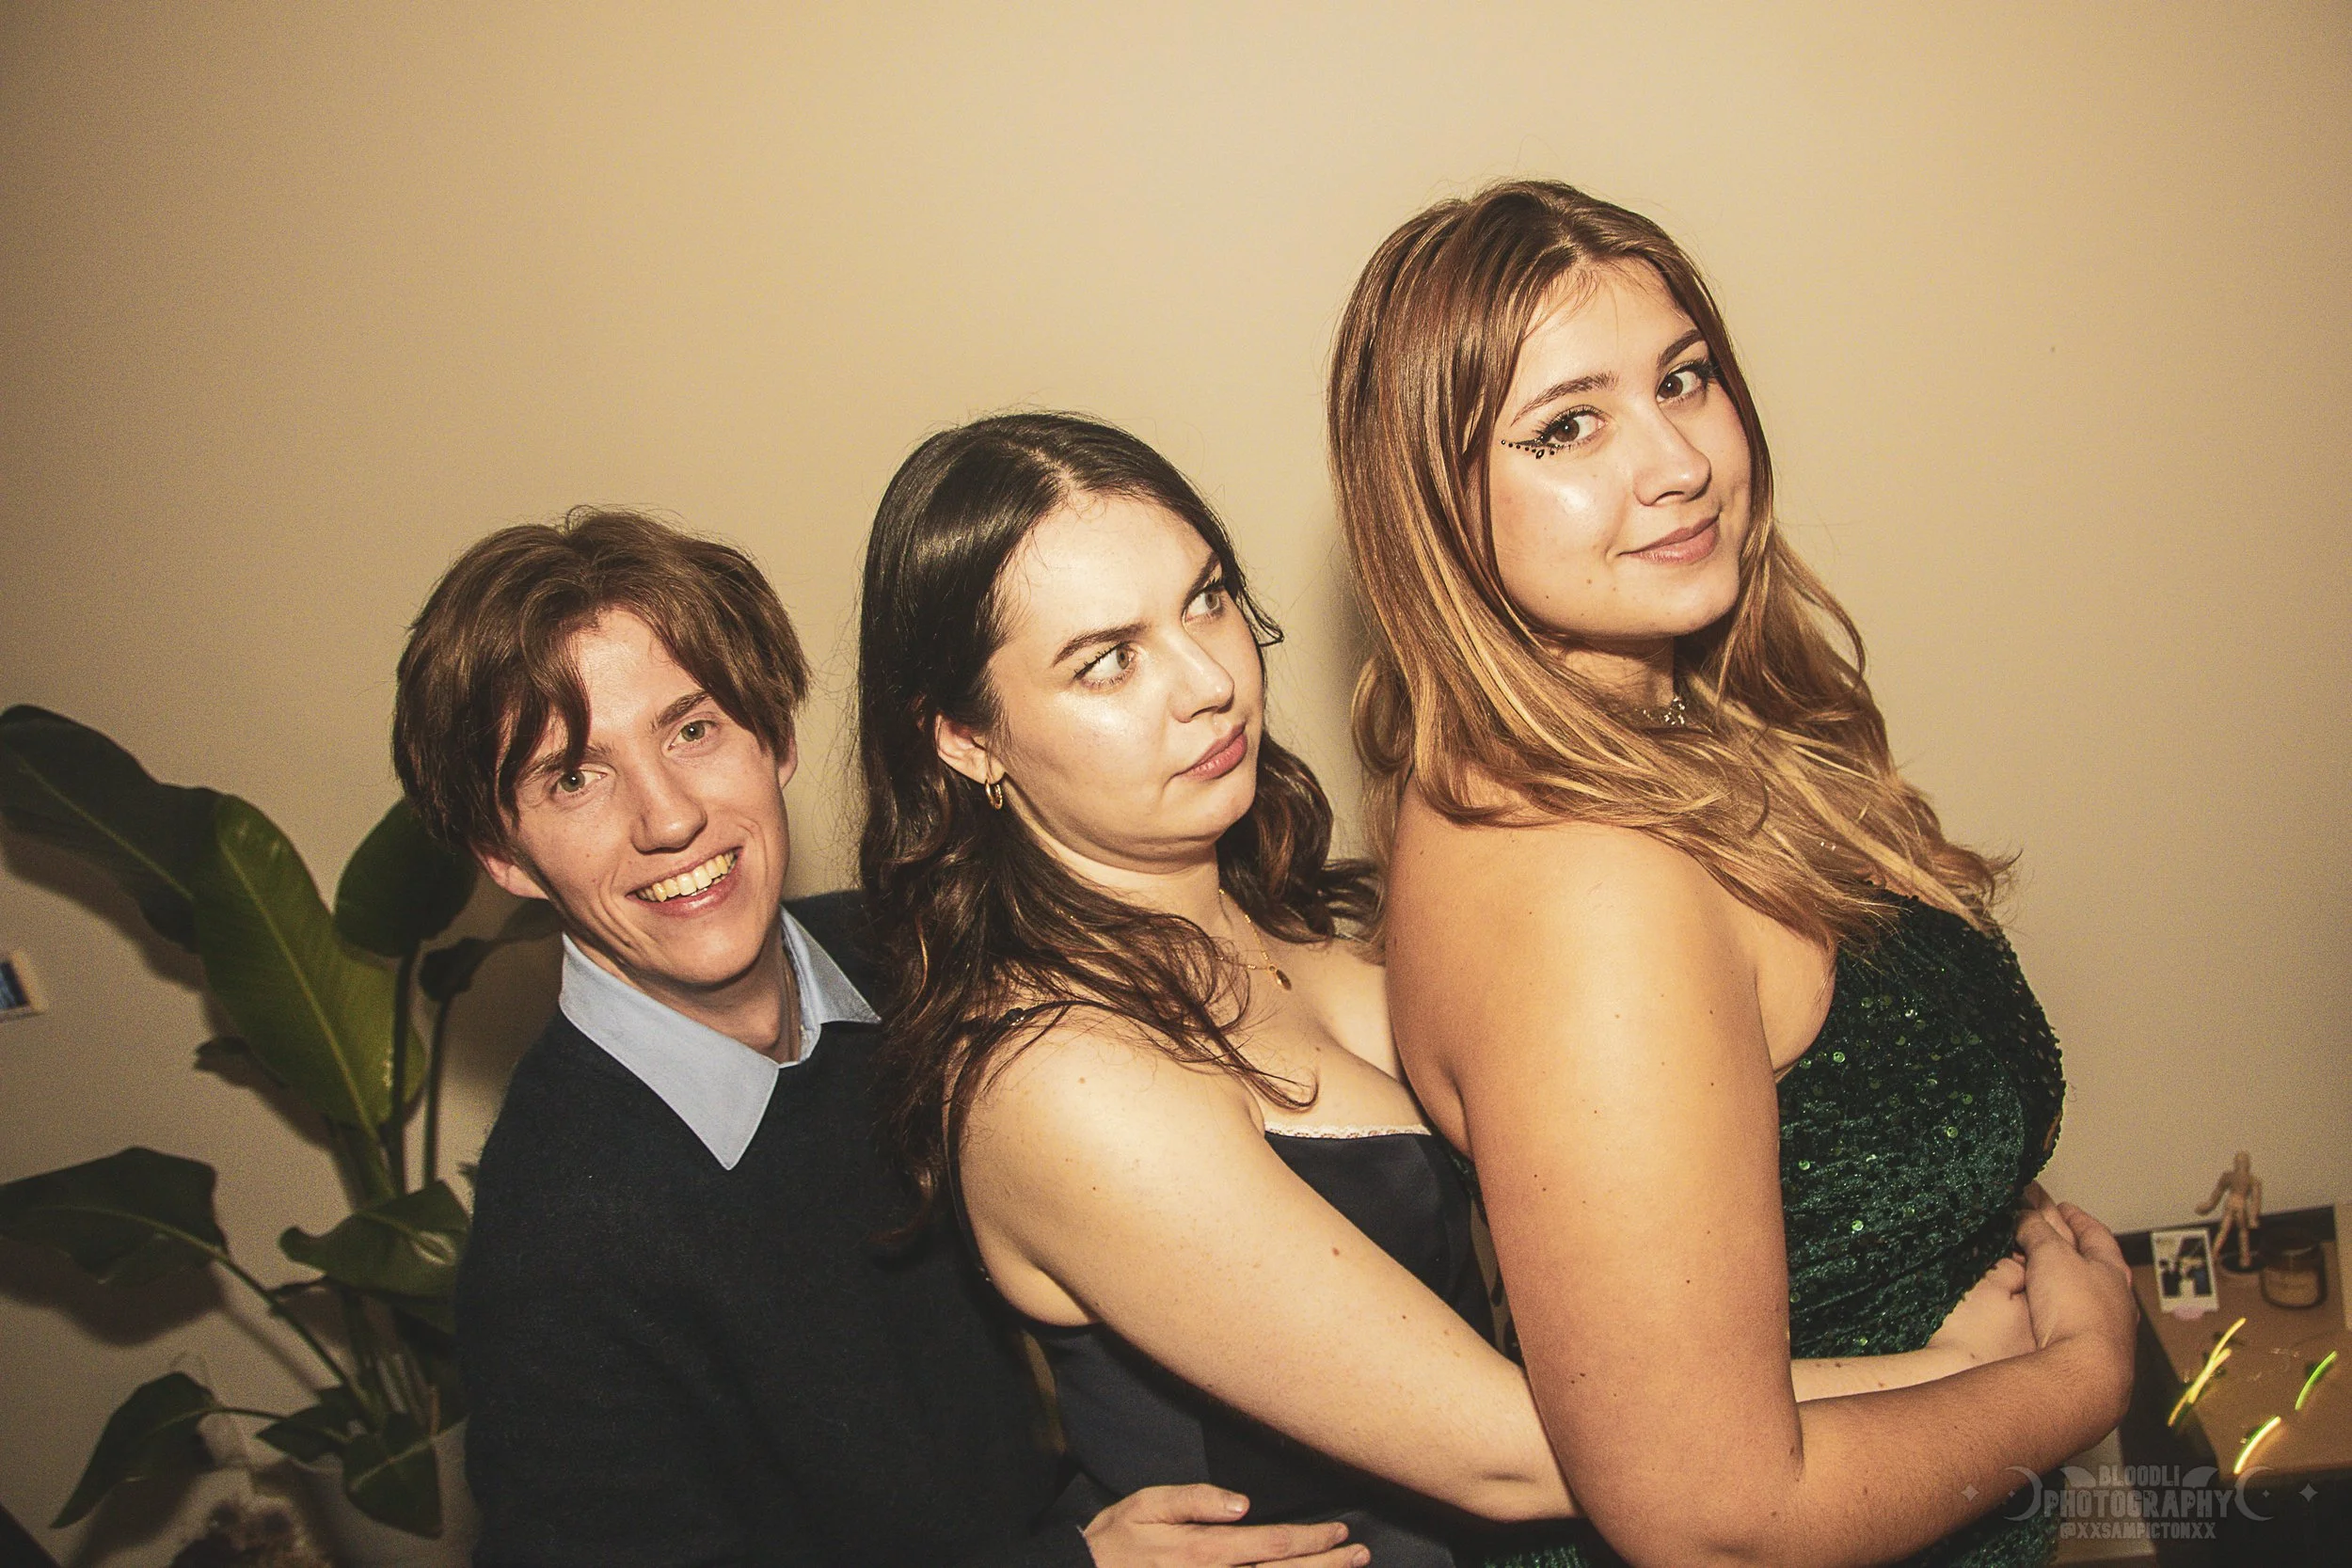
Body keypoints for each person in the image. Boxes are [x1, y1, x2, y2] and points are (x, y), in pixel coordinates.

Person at [854, 414, 2053, 1568]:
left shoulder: (1319, 915)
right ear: (965, 738)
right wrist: (1962, 1370)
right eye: (1107, 661)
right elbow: (1513, 1452)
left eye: (1206, 599)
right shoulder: (1057, 1082)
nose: (1206, 680)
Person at [1327, 180, 2141, 1567]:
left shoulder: (1650, 736)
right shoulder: (1588, 891)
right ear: (1433, 508)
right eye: (1567, 426)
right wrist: (2081, 1377)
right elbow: (1717, 1518)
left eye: (1683, 378)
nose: (1676, 462)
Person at [393, 509, 1361, 1568]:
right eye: (575, 778)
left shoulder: (911, 953)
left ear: (776, 736)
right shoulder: (559, 1245)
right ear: (505, 854)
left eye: (693, 729)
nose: (667, 817)